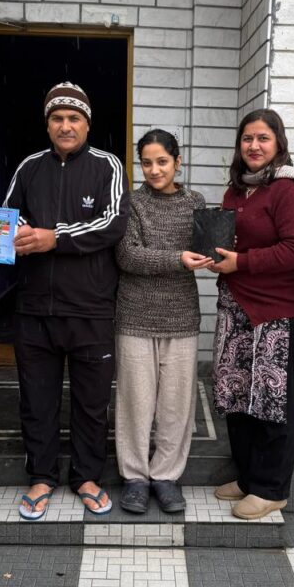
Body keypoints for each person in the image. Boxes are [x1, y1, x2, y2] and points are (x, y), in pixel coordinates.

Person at [4, 82, 129, 519]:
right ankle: (41, 476)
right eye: (57, 118)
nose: (65, 125)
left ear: (87, 124)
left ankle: (87, 477)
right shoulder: (29, 167)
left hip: (91, 308)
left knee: (91, 403)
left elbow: (113, 223)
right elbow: (7, 217)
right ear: (47, 124)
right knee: (36, 400)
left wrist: (53, 236)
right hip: (34, 309)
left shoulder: (108, 166)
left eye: (74, 118)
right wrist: (18, 234)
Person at [209, 109, 294, 520]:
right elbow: (234, 246)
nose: (254, 146)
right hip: (237, 308)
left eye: (263, 138)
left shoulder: (287, 189)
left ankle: (271, 488)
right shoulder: (236, 191)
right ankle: (248, 478)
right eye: (247, 138)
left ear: (278, 143)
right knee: (238, 397)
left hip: (278, 313)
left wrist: (240, 263)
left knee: (273, 402)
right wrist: (216, 258)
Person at [114, 130, 211, 514]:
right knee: (135, 402)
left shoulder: (195, 202)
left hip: (182, 315)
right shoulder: (131, 202)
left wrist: (215, 254)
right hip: (135, 314)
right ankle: (135, 477)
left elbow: (204, 249)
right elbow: (128, 256)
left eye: (162, 162)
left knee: (176, 403)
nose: (154, 170)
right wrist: (177, 259)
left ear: (177, 162)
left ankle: (167, 476)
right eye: (146, 163)